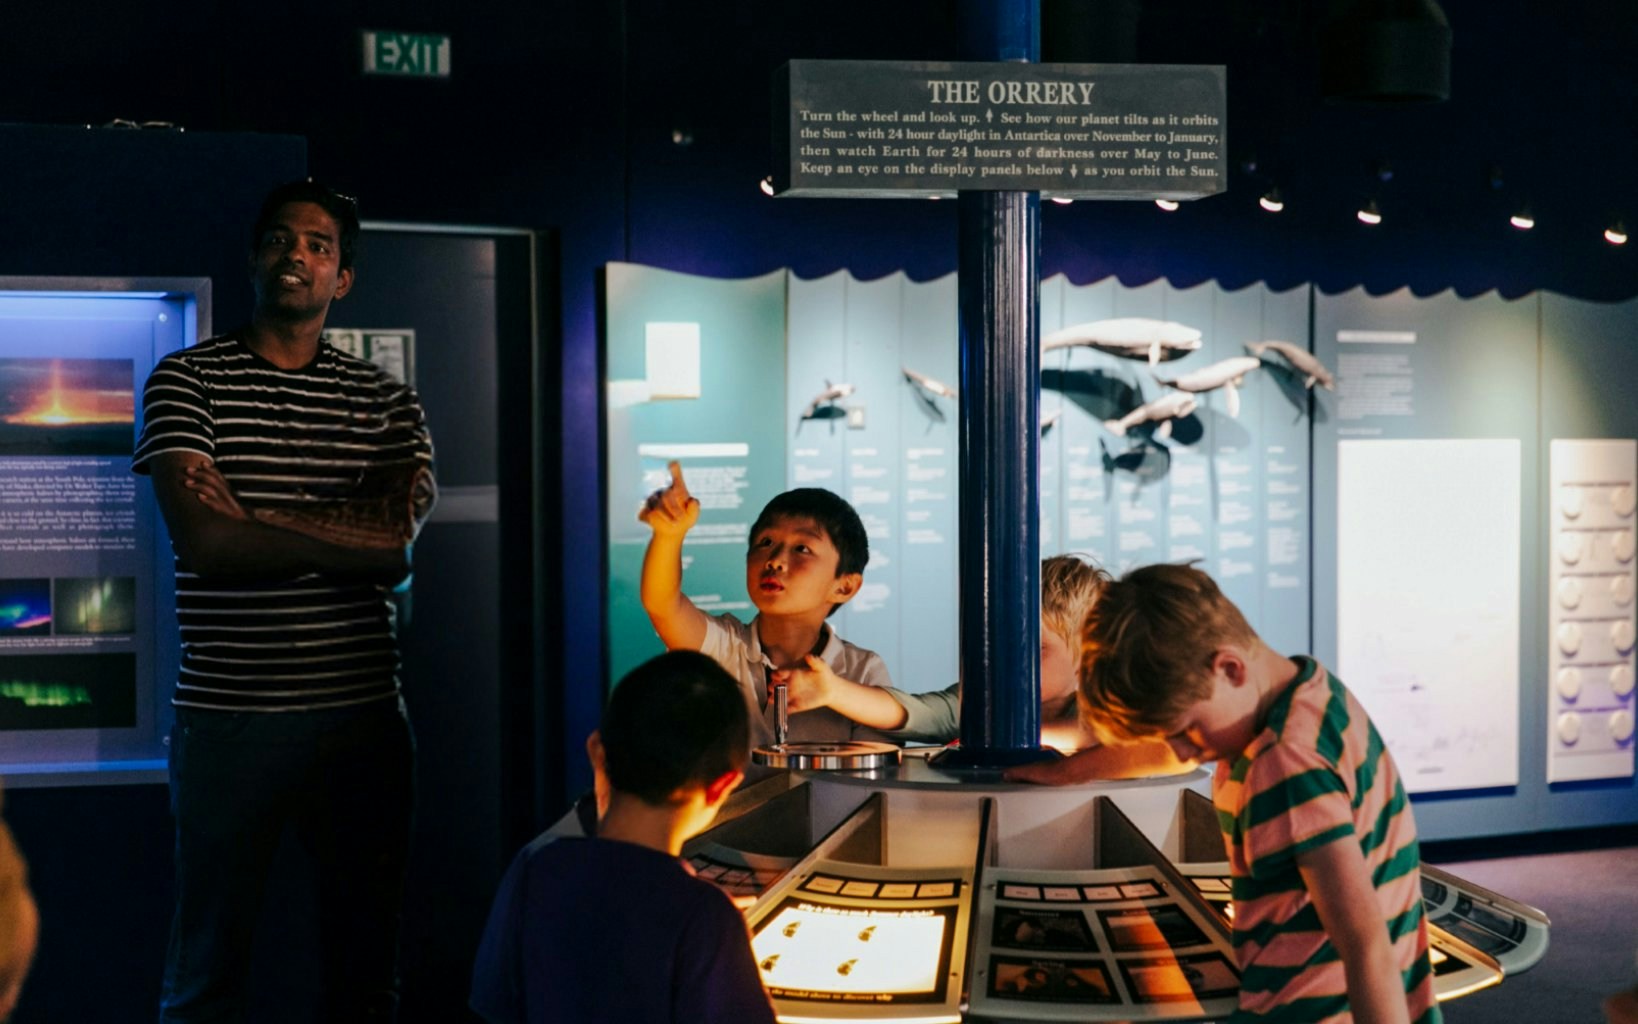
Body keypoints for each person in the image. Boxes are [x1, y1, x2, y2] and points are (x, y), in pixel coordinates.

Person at [134, 180, 436, 1022]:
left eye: (317, 244)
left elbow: (394, 553)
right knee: (206, 973)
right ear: (254, 257)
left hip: (363, 720)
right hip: (230, 719)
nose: (295, 254)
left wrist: (257, 516)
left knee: (366, 971)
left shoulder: (385, 400)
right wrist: (335, 534)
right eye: (279, 238)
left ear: (343, 276)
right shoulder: (187, 380)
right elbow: (206, 543)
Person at [1079, 563, 1439, 1024]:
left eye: (1186, 730)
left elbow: (1364, 942)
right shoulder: (1314, 692)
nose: (1182, 752)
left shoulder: (1286, 762)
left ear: (1230, 668)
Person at [469, 650, 777, 1024]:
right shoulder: (707, 919)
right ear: (722, 786)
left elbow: (491, 1006)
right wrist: (716, 928)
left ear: (597, 752)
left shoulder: (533, 870)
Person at [776, 554, 1182, 781]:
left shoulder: (1100, 712)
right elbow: (918, 712)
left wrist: (1028, 747)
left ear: (1087, 658)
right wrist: (833, 690)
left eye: (1037, 649)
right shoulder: (985, 699)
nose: (1013, 662)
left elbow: (1156, 746)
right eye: (1003, 645)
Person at [639, 461, 889, 745]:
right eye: (766, 542)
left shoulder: (862, 671)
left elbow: (876, 765)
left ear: (844, 586)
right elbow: (663, 604)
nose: (775, 560)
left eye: (802, 548)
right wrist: (669, 536)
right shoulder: (724, 645)